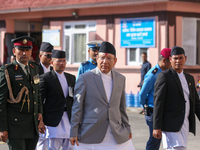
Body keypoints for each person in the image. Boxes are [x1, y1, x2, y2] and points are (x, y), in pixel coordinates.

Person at [70, 41, 135, 150]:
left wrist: (127, 128)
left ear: (115, 61)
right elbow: (77, 107)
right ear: (97, 59)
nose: (105, 62)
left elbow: (122, 107)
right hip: (91, 133)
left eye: (109, 58)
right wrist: (73, 131)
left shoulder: (120, 79)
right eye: (101, 58)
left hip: (116, 133)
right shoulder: (85, 78)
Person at [0, 36, 44, 150]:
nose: (24, 53)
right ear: (14, 51)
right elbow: (1, 102)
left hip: (32, 125)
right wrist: (2, 128)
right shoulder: (7, 71)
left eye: (27, 50)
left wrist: (40, 114)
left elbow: (37, 93)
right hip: (16, 127)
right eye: (21, 50)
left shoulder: (34, 68)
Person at [153, 46, 200, 150]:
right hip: (170, 125)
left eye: (180, 58)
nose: (178, 61)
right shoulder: (164, 76)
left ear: (185, 58)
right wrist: (156, 126)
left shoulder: (189, 78)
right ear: (170, 59)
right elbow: (158, 102)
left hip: (184, 124)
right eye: (175, 58)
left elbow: (196, 103)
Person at [39, 50, 75, 150]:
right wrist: (41, 120)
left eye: (64, 61)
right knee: (53, 147)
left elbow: (73, 99)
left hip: (68, 118)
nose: (62, 63)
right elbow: (40, 100)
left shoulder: (71, 78)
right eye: (59, 61)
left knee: (70, 147)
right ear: (52, 62)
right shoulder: (45, 78)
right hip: (53, 120)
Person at [139, 48, 172, 150]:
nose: (171, 64)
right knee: (154, 138)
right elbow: (142, 94)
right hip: (152, 111)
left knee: (158, 138)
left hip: (160, 112)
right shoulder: (153, 74)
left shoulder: (165, 72)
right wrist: (145, 107)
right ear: (164, 61)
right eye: (170, 62)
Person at [36, 42, 54, 150]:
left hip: (50, 111)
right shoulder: (34, 70)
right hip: (39, 109)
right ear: (40, 56)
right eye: (47, 55)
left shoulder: (53, 71)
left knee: (50, 140)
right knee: (41, 141)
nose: (50, 58)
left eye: (51, 55)